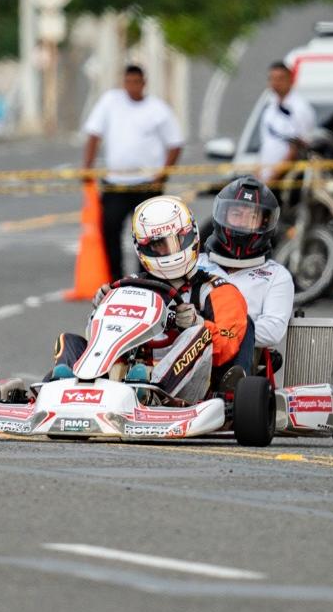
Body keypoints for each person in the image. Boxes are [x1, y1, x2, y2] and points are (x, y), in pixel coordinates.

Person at [34, 196, 252, 396]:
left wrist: (197, 322)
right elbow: (101, 338)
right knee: (69, 341)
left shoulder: (218, 290)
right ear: (143, 248)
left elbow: (227, 347)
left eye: (177, 240)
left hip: (190, 389)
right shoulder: (130, 285)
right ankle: (67, 389)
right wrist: (103, 308)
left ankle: (152, 392)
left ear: (192, 236)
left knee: (198, 334)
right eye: (159, 245)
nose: (170, 251)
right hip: (129, 374)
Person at [81, 65, 184, 279]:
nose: (132, 87)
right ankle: (115, 277)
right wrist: (87, 167)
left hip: (146, 184)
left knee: (148, 234)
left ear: (144, 83)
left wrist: (162, 175)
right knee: (110, 229)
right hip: (116, 182)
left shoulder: (157, 109)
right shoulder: (111, 102)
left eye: (136, 82)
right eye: (128, 82)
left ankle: (146, 276)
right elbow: (93, 134)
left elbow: (175, 143)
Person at [202, 177, 295, 353]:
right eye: (236, 215)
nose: (243, 223)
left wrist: (216, 332)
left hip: (240, 365)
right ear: (222, 215)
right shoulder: (195, 265)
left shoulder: (276, 276)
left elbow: (272, 331)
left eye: (252, 217)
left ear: (265, 223)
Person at [256, 61, 317, 183]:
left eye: (280, 79)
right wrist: (258, 174)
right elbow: (266, 144)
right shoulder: (270, 108)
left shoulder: (300, 108)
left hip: (287, 179)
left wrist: (275, 177)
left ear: (290, 80)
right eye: (272, 79)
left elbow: (298, 147)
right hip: (266, 177)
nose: (276, 83)